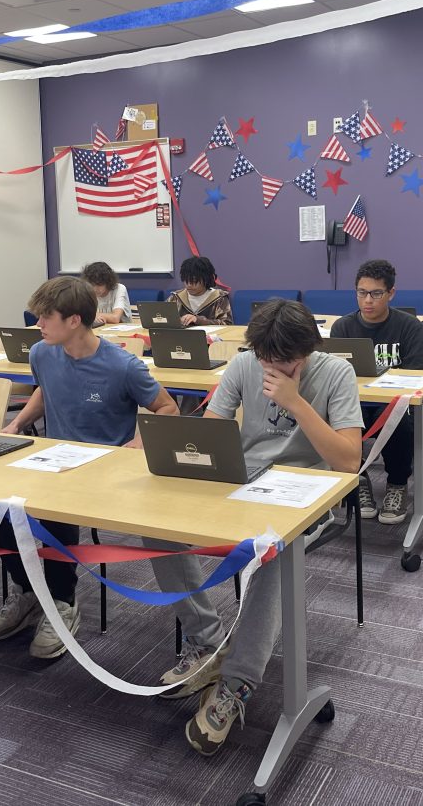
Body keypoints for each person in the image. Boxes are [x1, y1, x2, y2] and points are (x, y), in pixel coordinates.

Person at [144, 298, 361, 757]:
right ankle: (207, 644)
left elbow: (347, 460)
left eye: (283, 361)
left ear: (307, 353)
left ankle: (238, 683)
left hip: (307, 499)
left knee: (271, 552)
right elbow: (212, 428)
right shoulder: (245, 364)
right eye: (265, 359)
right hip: (242, 483)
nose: (272, 367)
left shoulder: (336, 374)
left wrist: (296, 402)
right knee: (155, 528)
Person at [0, 277, 179, 658]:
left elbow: (167, 408)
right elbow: (45, 392)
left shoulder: (122, 366)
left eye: (46, 317)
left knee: (55, 515)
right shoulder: (42, 353)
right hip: (53, 461)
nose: (38, 324)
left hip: (104, 472)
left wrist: (137, 445)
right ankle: (30, 594)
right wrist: (15, 424)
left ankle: (63, 604)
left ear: (75, 320)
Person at [329, 259, 423, 525]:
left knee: (397, 419)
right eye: (362, 293)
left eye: (376, 293)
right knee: (339, 418)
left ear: (391, 293)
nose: (368, 300)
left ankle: (397, 484)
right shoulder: (343, 327)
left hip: (396, 403)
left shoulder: (409, 327)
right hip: (356, 402)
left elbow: (422, 375)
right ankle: (358, 479)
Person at [167, 256, 233, 326]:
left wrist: (199, 321)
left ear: (207, 279)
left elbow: (227, 324)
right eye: (186, 280)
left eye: (194, 281)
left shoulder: (219, 297)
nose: (189, 285)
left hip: (208, 336)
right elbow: (162, 319)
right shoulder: (176, 297)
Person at [81, 261, 131, 327]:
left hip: (123, 331)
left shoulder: (119, 288)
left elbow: (115, 318)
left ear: (108, 282)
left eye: (99, 284)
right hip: (100, 329)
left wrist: (94, 315)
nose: (95, 289)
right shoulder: (88, 290)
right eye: (92, 285)